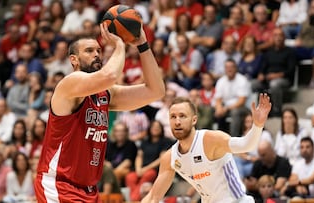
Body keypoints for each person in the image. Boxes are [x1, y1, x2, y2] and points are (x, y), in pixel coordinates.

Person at [34, 22, 165, 202]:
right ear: (74, 59)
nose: (96, 54)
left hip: (89, 189)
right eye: (89, 50)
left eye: (98, 50)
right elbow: (110, 76)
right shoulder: (69, 84)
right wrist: (120, 45)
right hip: (60, 185)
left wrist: (142, 44)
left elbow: (156, 91)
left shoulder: (106, 93)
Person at [141, 93, 272, 203]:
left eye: (182, 116)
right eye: (173, 117)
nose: (177, 122)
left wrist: (258, 125)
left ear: (194, 120)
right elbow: (153, 197)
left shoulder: (211, 140)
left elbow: (246, 145)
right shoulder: (170, 158)